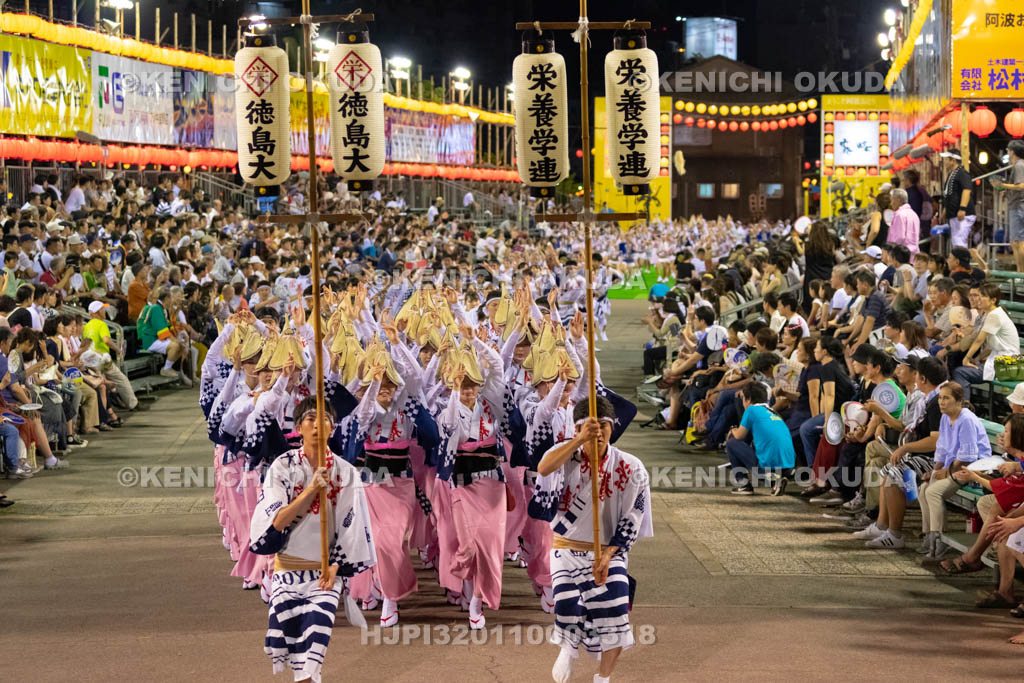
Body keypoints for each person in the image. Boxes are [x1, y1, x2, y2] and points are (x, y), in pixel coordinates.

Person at [249, 397, 377, 683]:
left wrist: (336, 568)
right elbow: (276, 521)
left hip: (323, 574)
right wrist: (309, 491)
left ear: (334, 427)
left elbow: (352, 525)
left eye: (324, 419)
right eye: (310, 419)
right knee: (295, 645)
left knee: (315, 641)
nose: (318, 424)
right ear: (298, 427)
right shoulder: (282, 466)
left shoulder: (346, 472)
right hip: (287, 571)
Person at [536, 397, 652, 683]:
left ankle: (603, 678)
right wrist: (578, 441)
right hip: (566, 548)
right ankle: (567, 647)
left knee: (615, 614)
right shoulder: (563, 455)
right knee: (567, 606)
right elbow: (543, 469)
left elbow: (633, 517)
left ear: (613, 427)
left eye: (603, 425)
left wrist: (610, 553)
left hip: (609, 551)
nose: (598, 431)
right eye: (590, 426)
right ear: (577, 427)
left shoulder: (631, 466)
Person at [916, 382, 989, 555]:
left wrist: (946, 472)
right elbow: (941, 449)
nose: (941, 402)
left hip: (972, 469)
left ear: (958, 400)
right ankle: (929, 535)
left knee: (933, 492)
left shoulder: (966, 420)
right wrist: (934, 471)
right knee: (924, 488)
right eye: (940, 398)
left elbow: (968, 457)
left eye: (946, 398)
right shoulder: (945, 417)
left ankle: (939, 538)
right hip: (955, 466)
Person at [725, 382, 795, 495]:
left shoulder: (751, 410)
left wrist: (732, 429)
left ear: (749, 399)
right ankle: (776, 479)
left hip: (769, 464)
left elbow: (739, 436)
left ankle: (743, 484)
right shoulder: (773, 412)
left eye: (742, 398)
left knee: (732, 443)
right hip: (788, 464)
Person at [954, 282, 1020, 401]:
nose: (979, 299)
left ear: (993, 300)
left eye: (983, 296)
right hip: (1005, 361)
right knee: (965, 368)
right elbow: (990, 347)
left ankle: (964, 408)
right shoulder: (994, 313)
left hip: (1008, 364)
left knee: (960, 372)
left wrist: (967, 358)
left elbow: (979, 339)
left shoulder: (994, 315)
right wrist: (976, 359)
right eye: (979, 295)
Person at [993, 140, 1024, 271]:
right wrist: (1007, 191)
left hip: (1018, 206)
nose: (1007, 152)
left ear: (1012, 151)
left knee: (1018, 241)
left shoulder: (1019, 165)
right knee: (1016, 241)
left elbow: (1021, 185)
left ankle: (1021, 272)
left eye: (1008, 150)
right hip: (1017, 205)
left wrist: (1002, 185)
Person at [943, 157, 975, 249]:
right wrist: (946, 209)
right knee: (956, 242)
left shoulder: (962, 172)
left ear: (952, 160)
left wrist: (962, 208)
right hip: (954, 214)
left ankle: (962, 262)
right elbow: (949, 194)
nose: (944, 162)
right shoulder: (952, 174)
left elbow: (967, 190)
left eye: (946, 160)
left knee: (959, 242)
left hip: (963, 214)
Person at [888, 188, 921, 256]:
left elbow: (899, 237)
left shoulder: (899, 215)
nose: (891, 204)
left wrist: (890, 252)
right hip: (913, 254)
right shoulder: (913, 214)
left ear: (898, 199)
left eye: (892, 200)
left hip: (901, 256)